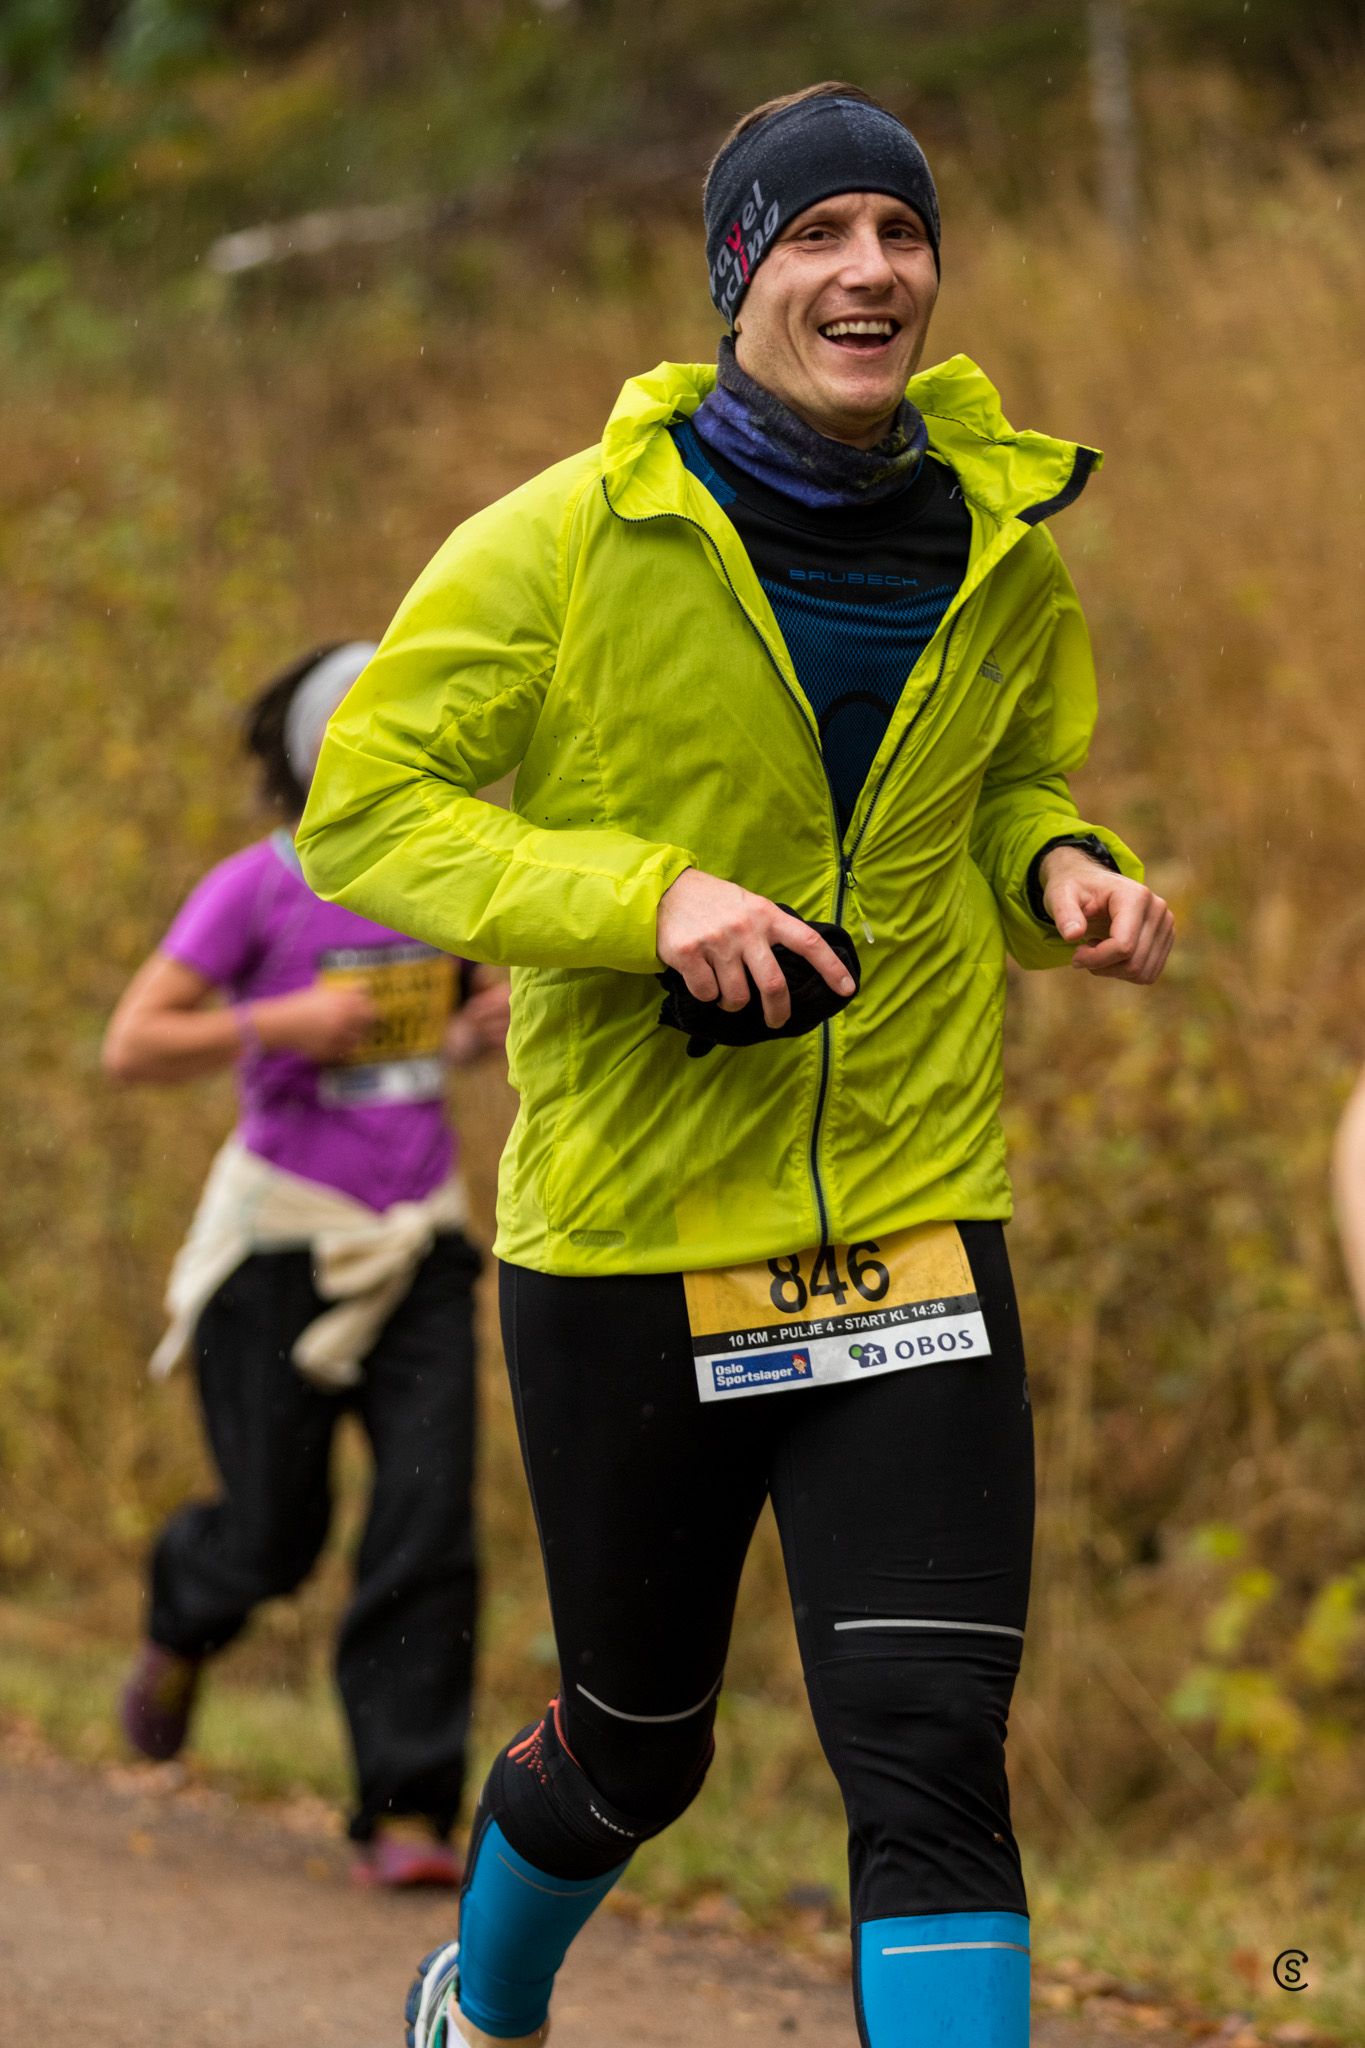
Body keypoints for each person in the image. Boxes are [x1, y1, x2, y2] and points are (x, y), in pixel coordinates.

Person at [298, 83, 1174, 2048]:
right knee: (638, 1741)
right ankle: (484, 2002)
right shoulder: (565, 540)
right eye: (816, 233)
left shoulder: (999, 545)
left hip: (910, 1218)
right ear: (734, 275)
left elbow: (1006, 785)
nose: (870, 270)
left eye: (902, 232)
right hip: (634, 1234)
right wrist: (644, 896)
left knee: (930, 1744)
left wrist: (1063, 869)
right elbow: (365, 814)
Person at [103, 641, 510, 1889]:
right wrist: (280, 1022)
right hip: (279, 1244)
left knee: (428, 1519)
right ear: (315, 755)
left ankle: (407, 1808)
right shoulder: (255, 887)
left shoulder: (445, 876)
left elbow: (458, 1026)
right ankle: (185, 1615)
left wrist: (480, 1029)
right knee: (276, 1533)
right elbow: (134, 1043)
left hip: (420, 1239)